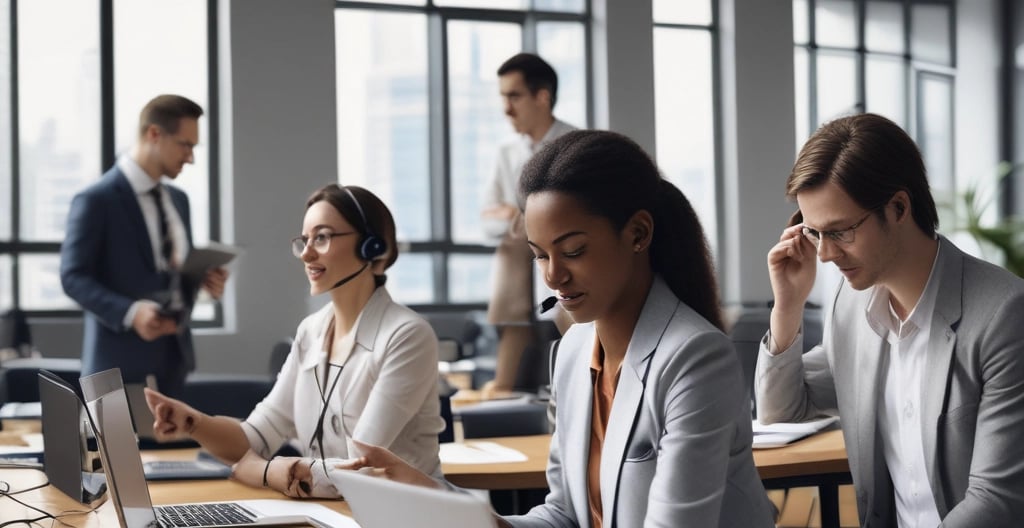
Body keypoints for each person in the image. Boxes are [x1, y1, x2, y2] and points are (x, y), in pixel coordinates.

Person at [342, 130, 776, 527]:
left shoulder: (695, 358)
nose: (552, 276)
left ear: (638, 233)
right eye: (539, 254)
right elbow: (564, 516)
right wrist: (433, 499)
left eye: (573, 250)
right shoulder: (573, 352)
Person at [755, 113, 1024, 526]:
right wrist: (787, 306)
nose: (824, 255)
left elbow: (996, 500)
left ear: (898, 207)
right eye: (814, 233)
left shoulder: (1004, 314)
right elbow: (784, 410)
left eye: (840, 231)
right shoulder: (853, 306)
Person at [143, 183, 446, 498]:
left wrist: (265, 471)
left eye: (323, 237)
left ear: (371, 246)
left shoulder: (407, 336)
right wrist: (193, 423)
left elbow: (360, 469)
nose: (307, 253)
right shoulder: (310, 332)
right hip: (329, 514)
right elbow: (256, 437)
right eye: (304, 240)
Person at [60, 94, 228, 398]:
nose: (191, 157)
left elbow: (170, 274)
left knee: (178, 449)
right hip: (116, 371)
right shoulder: (96, 200)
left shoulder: (180, 201)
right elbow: (73, 277)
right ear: (154, 134)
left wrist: (202, 282)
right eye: (185, 145)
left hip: (175, 364)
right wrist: (131, 312)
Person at [480, 52, 577, 398]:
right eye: (503, 97)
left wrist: (518, 215)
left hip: (565, 250)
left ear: (542, 97)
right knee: (513, 248)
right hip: (521, 256)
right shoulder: (506, 152)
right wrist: (518, 219)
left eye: (514, 96)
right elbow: (487, 221)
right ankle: (504, 383)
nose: (506, 108)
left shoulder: (576, 145)